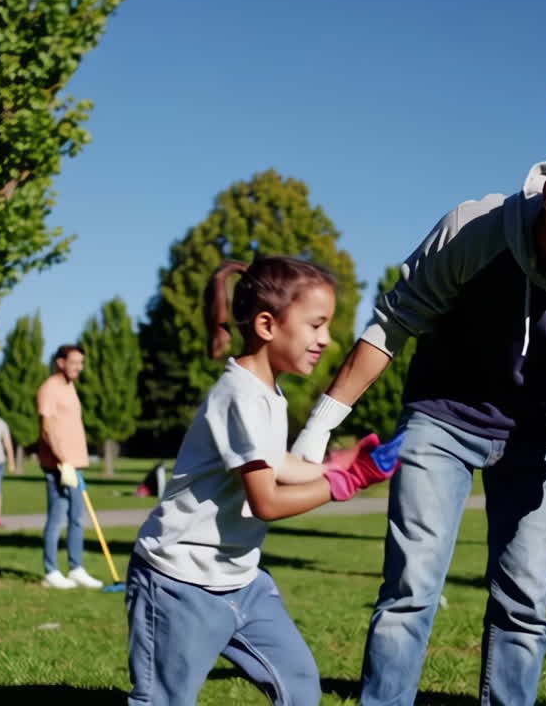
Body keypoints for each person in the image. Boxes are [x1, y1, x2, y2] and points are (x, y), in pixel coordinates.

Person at [290, 126, 546, 705]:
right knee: (411, 588)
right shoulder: (476, 228)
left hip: (536, 438)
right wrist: (321, 425)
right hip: (442, 420)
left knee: (525, 603)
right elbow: (395, 321)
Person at [125, 257, 403, 706]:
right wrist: (343, 483)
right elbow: (266, 501)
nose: (326, 340)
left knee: (299, 687)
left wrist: (337, 463)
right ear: (267, 324)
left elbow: (279, 464)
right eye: (316, 325)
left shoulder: (267, 392)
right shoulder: (239, 396)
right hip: (178, 583)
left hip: (241, 580)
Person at [36, 343, 102, 590]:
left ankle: (76, 568)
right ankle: (51, 571)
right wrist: (62, 460)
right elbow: (47, 428)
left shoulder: (70, 387)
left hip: (75, 464)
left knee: (76, 518)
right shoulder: (49, 388)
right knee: (56, 518)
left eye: (80, 363)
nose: (78, 367)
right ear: (61, 362)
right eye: (74, 362)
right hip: (60, 465)